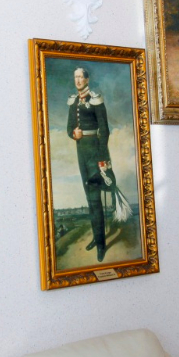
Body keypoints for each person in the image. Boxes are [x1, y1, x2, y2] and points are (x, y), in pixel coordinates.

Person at [67, 67, 113, 262]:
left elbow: (105, 130)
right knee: (89, 197)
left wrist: (102, 158)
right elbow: (69, 127)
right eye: (75, 77)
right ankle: (96, 237)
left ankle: (101, 244)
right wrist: (73, 134)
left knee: (95, 199)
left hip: (95, 152)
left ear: (87, 79)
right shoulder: (73, 101)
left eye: (81, 77)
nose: (78, 80)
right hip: (81, 153)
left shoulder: (96, 99)